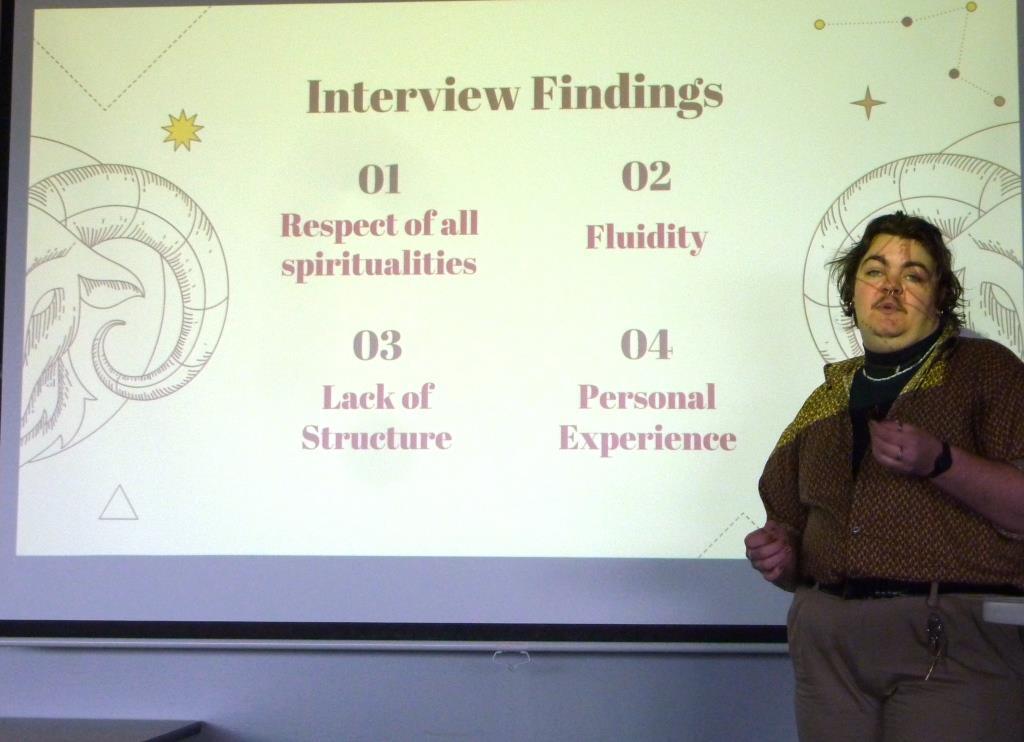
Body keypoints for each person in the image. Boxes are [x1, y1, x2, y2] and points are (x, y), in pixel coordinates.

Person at [745, 211, 1024, 741]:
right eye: (875, 271)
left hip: (948, 646)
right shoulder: (826, 398)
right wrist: (781, 556)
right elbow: (790, 528)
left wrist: (941, 461)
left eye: (913, 275)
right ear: (852, 292)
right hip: (829, 652)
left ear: (941, 297)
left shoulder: (987, 371)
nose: (891, 288)